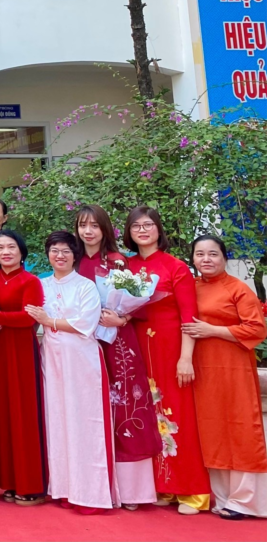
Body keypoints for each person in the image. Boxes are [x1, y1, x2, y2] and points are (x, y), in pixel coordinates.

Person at [124, 206, 211, 513]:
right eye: (136, 226)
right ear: (129, 232)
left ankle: (191, 491)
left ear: (159, 229)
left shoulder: (176, 267)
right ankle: (162, 486)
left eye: (148, 225)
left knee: (178, 414)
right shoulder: (125, 267)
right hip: (136, 350)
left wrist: (186, 358)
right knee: (146, 415)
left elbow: (189, 316)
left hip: (170, 347)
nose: (143, 230)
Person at [73, 204, 160, 509]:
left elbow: (140, 302)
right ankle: (90, 484)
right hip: (83, 344)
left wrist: (121, 319)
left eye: (94, 225)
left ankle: (133, 491)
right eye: (82, 225)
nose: (88, 231)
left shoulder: (118, 261)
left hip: (117, 342)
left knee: (125, 408)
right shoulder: (73, 261)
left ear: (105, 229)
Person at [27, 231, 115, 513]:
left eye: (66, 251)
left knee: (83, 422)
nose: (60, 255)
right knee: (56, 420)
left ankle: (90, 493)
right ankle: (62, 488)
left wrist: (49, 320)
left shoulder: (86, 286)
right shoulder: (41, 285)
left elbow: (86, 323)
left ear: (75, 255)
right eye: (54, 250)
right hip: (51, 359)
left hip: (81, 361)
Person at [185, 235, 267, 520]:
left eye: (213, 254)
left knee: (240, 428)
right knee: (212, 429)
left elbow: (257, 329)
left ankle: (245, 501)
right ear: (193, 259)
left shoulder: (238, 289)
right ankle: (221, 497)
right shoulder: (190, 287)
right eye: (200, 254)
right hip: (203, 371)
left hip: (233, 369)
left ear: (224, 257)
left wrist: (214, 331)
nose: (206, 259)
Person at [0, 231, 47, 504]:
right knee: (2, 414)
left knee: (24, 414)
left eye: (11, 247)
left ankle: (30, 485)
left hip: (20, 352)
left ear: (21, 251)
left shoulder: (30, 281)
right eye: (0, 247)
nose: (5, 252)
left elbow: (28, 318)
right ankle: (7, 481)